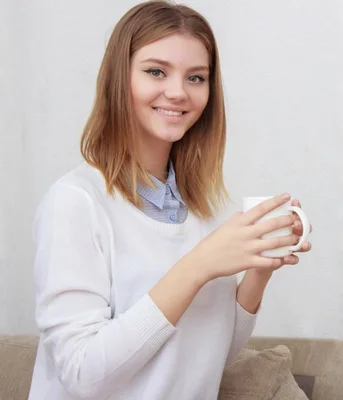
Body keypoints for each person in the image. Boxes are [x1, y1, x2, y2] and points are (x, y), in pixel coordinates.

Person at [27, 1, 312, 399]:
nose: (178, 92)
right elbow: (82, 374)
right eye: (155, 71)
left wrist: (258, 270)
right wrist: (199, 265)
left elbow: (210, 354)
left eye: (196, 78)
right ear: (118, 77)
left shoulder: (201, 210)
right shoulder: (75, 202)